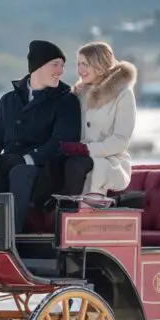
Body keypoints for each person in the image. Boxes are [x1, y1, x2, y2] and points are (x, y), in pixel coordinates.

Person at [0, 40, 82, 232]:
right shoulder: (8, 100)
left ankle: (12, 239)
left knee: (20, 173)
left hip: (45, 171)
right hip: (8, 164)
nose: (61, 71)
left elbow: (62, 141)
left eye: (62, 65)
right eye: (55, 64)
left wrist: (27, 159)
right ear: (38, 65)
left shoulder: (65, 100)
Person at [60, 41, 138, 200]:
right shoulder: (78, 94)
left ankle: (72, 214)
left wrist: (86, 149)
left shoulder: (123, 95)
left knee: (76, 166)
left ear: (100, 64)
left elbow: (120, 140)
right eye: (78, 64)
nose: (80, 70)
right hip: (78, 160)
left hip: (110, 161)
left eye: (86, 64)